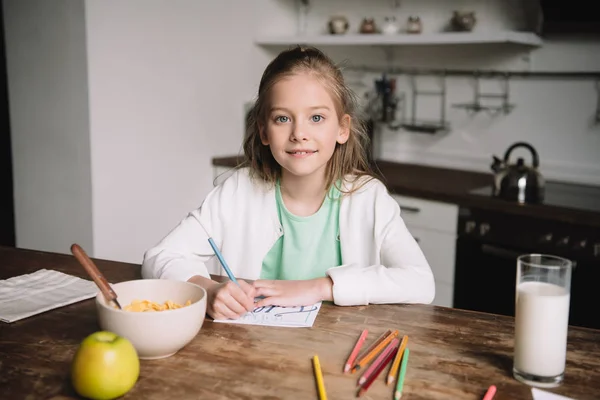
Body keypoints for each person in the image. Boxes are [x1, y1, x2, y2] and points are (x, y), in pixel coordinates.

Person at [141, 46, 435, 320]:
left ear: (342, 129)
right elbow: (159, 257)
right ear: (264, 131)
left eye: (316, 117)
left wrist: (319, 287)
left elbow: (421, 282)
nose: (299, 133)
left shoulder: (369, 198)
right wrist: (206, 289)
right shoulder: (238, 192)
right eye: (283, 119)